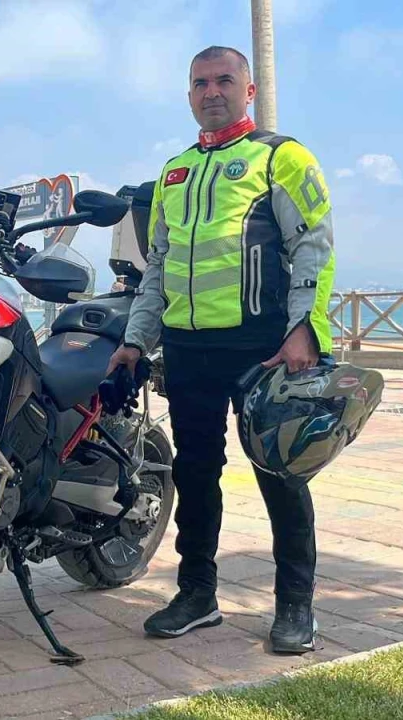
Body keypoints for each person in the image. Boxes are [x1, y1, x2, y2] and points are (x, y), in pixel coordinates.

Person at [108, 46, 336, 654]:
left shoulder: (281, 157)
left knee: (280, 474)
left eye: (224, 81)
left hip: (263, 347)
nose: (212, 92)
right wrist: (136, 341)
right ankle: (197, 593)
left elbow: (313, 246)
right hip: (188, 350)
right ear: (189, 95)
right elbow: (157, 265)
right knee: (194, 471)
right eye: (200, 83)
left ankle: (295, 604)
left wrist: (305, 329)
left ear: (248, 90)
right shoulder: (174, 173)